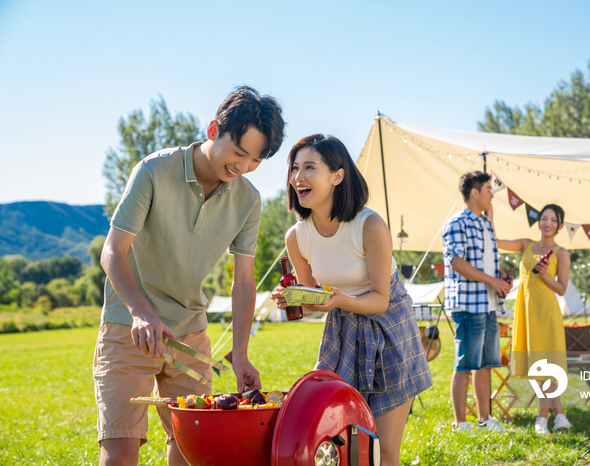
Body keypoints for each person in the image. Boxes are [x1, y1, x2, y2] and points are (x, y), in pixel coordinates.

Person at [94, 86, 285, 465]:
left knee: (192, 448)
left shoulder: (248, 201)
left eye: (255, 161)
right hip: (128, 325)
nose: (243, 167)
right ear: (214, 129)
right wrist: (140, 312)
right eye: (238, 153)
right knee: (121, 447)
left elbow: (244, 281)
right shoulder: (154, 170)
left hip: (190, 332)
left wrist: (242, 354)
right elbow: (113, 251)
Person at [271, 134, 432, 466]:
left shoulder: (369, 224)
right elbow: (314, 299)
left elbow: (380, 300)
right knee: (346, 445)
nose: (298, 177)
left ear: (337, 176)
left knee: (383, 450)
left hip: (389, 327)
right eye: (295, 168)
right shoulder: (297, 236)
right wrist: (293, 300)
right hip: (343, 329)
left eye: (310, 168)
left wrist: (336, 300)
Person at [442, 171, 512, 434]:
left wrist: (502, 279)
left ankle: (485, 420)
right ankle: (460, 424)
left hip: (489, 304)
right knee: (464, 364)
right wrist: (492, 282)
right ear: (475, 193)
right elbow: (456, 262)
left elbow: (484, 264)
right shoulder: (456, 223)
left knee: (485, 364)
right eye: (487, 189)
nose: (491, 194)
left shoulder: (485, 224)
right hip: (468, 305)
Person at [496, 204, 573, 434]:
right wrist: (489, 211)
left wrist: (544, 274)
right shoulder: (526, 244)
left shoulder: (561, 253)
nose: (547, 223)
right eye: (544, 218)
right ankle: (560, 416)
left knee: (546, 366)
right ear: (539, 221)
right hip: (526, 312)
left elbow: (561, 289)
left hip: (547, 313)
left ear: (560, 225)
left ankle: (541, 419)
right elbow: (496, 241)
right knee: (541, 364)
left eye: (553, 220)